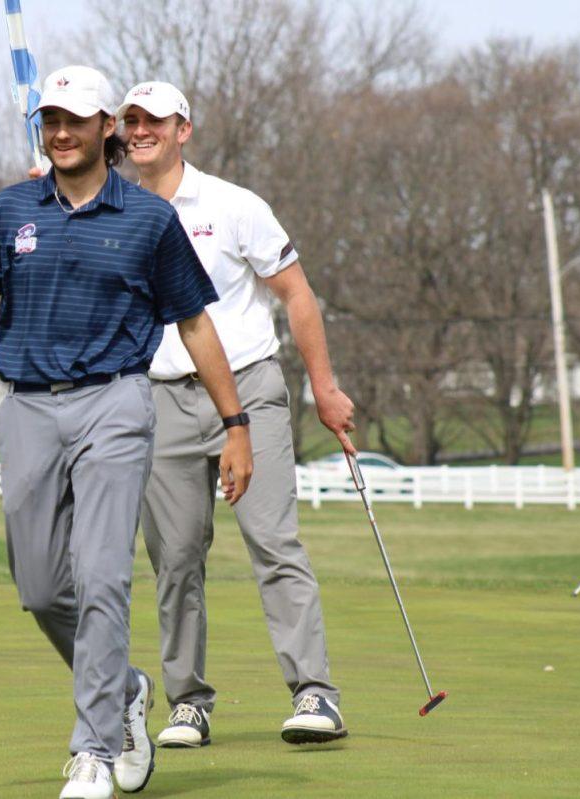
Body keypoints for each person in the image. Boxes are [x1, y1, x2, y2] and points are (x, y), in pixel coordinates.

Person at [0, 66, 253, 799]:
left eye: (77, 119)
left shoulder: (148, 220)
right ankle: (125, 687)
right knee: (42, 587)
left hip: (116, 402)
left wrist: (235, 425)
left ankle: (95, 750)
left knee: (104, 573)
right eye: (51, 120)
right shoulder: (10, 211)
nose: (63, 132)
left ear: (107, 125)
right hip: (28, 408)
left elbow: (196, 324)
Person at [116, 81, 357, 747]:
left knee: (273, 540)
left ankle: (315, 692)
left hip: (249, 386)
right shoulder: (112, 210)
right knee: (175, 558)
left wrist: (325, 387)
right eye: (131, 121)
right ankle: (187, 702)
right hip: (158, 395)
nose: (141, 131)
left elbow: (297, 294)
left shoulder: (233, 205)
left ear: (182, 129)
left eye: (154, 121)